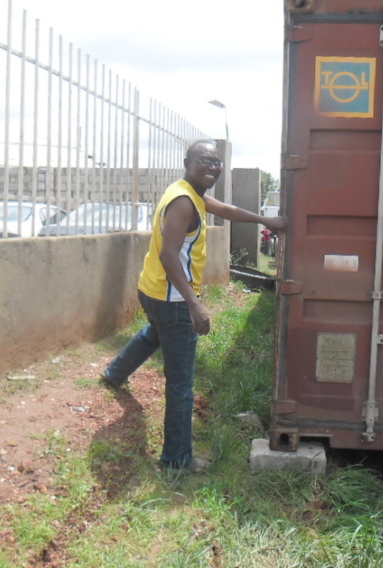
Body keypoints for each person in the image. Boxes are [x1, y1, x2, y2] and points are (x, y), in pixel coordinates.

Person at [100, 140, 287, 473]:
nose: (213, 167)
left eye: (217, 162)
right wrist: (194, 304)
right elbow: (168, 255)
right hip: (173, 300)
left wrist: (265, 220)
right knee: (181, 382)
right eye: (205, 160)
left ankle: (115, 373)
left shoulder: (189, 192)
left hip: (153, 290)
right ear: (187, 161)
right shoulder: (185, 202)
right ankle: (176, 459)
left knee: (153, 333)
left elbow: (227, 210)